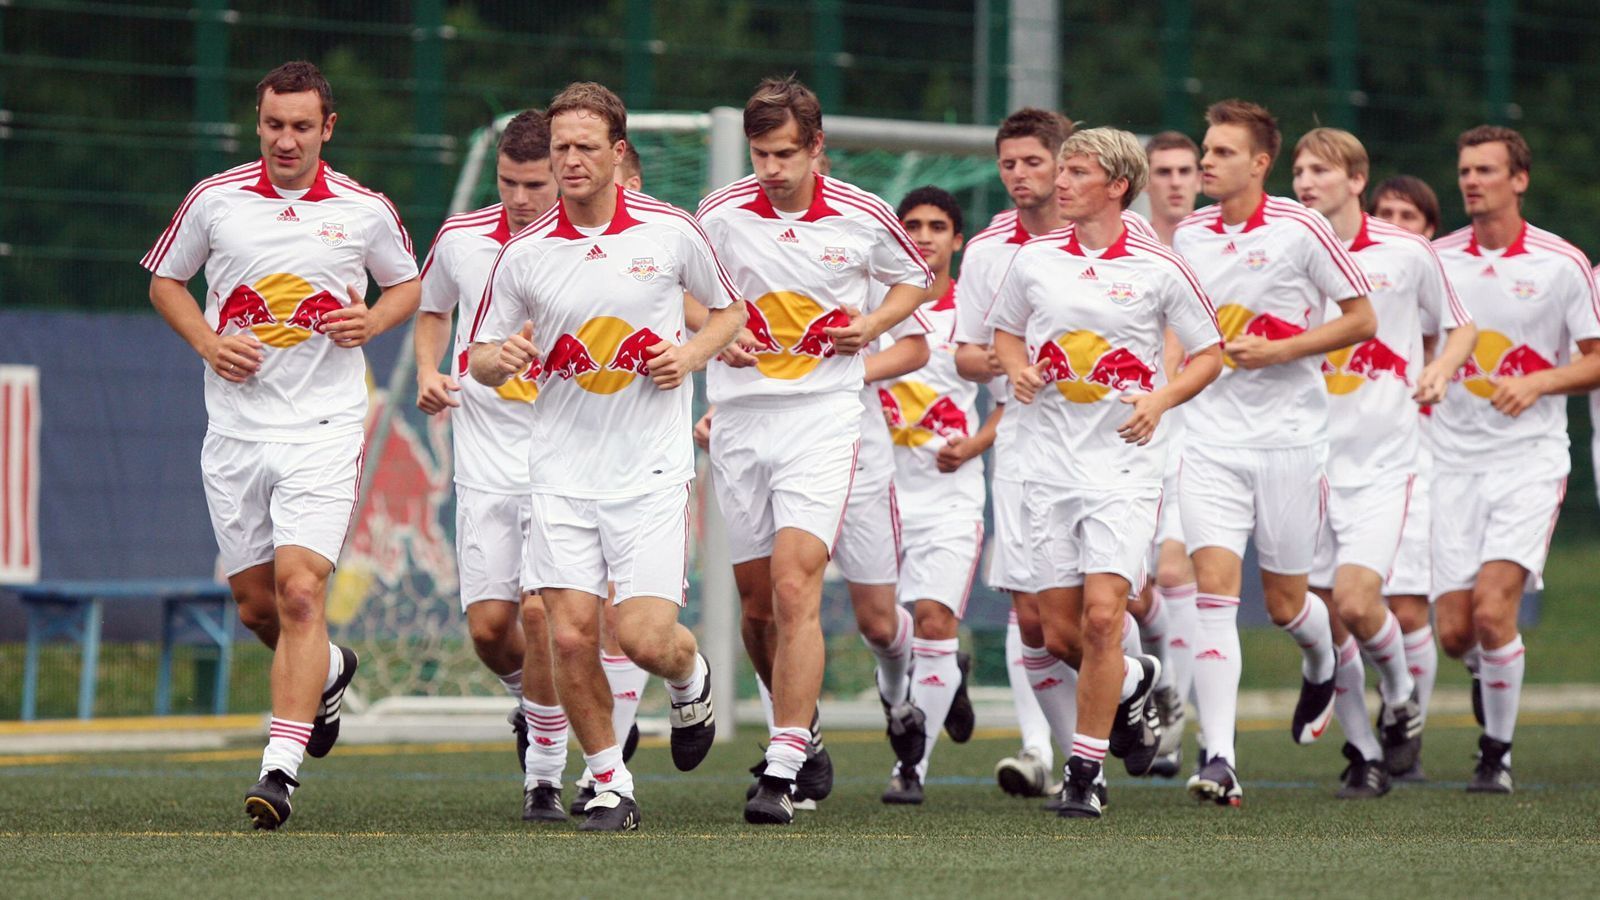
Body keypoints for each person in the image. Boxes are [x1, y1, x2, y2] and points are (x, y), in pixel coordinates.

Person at [143, 60, 420, 829]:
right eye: (274, 124)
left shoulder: (364, 210)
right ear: (257, 122)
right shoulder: (215, 199)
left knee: (303, 592)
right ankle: (329, 672)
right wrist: (207, 341)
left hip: (325, 428)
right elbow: (167, 281)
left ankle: (280, 769)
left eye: (302, 126)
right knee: (257, 606)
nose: (285, 139)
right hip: (235, 431)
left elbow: (407, 283)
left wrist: (373, 321)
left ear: (327, 128)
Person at [469, 81, 746, 831]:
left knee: (644, 638)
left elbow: (731, 313)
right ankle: (610, 782)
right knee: (563, 635)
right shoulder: (524, 253)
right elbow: (481, 357)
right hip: (559, 471)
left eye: (585, 146)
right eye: (560, 147)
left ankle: (690, 678)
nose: (570, 160)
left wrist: (687, 356)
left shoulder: (670, 231)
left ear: (618, 152)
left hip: (650, 470)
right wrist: (505, 359)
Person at [696, 75, 932, 825]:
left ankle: (781, 762)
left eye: (786, 154)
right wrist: (713, 334)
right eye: (761, 153)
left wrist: (872, 325)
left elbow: (914, 282)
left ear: (816, 147)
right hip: (739, 421)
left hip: (825, 418)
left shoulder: (863, 213)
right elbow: (684, 288)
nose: (771, 168)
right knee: (757, 609)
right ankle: (808, 730)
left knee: (798, 586)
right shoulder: (720, 213)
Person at [988, 127, 1224, 818]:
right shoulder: (1033, 261)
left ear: (1117, 186)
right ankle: (1138, 679)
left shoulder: (1160, 268)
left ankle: (1085, 773)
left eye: (1076, 172)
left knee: (1099, 621)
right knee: (1056, 635)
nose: (1060, 183)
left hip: (1123, 466)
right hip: (1045, 466)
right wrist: (1017, 367)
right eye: (1061, 171)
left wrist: (1160, 398)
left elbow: (1208, 354)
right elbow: (1003, 332)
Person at [1172, 99, 1375, 807]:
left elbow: (1361, 319)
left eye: (1223, 152)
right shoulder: (1188, 234)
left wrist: (1283, 349)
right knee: (1213, 595)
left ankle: (1321, 658)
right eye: (1206, 149)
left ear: (1260, 165)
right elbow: (1180, 329)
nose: (1207, 161)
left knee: (1290, 604)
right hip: (1208, 442)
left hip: (1291, 441)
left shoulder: (1301, 228)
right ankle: (1221, 757)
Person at [1290, 128, 1476, 798]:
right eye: (1300, 170)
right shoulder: (1287, 249)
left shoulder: (1406, 252)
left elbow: (1460, 326)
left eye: (1321, 170)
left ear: (1357, 179)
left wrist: (1440, 371)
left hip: (1381, 462)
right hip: (1301, 460)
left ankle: (1399, 696)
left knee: (1358, 600)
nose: (1306, 181)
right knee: (1321, 619)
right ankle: (1364, 752)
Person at [415, 110, 579, 821]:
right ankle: (535, 704)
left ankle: (544, 773)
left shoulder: (589, 245)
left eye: (534, 183)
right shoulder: (460, 239)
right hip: (484, 457)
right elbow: (431, 310)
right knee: (490, 629)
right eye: (508, 182)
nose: (518, 197)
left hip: (568, 455)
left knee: (544, 613)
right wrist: (428, 370)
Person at [1431, 125, 1600, 793]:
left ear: (1519, 179)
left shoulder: (1562, 264)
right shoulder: (1437, 259)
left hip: (1528, 462)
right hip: (1449, 463)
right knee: (1454, 631)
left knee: (1496, 611)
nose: (1472, 180)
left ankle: (1495, 754)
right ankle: (1488, 672)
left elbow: (1595, 361)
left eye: (1487, 170)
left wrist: (1537, 381)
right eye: (1465, 169)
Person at [950, 108, 1071, 801]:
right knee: (1036, 623)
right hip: (1026, 448)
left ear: (1063, 163)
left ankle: (1117, 722)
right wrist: (1010, 361)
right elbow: (967, 353)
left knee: (1107, 608)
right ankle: (1063, 753)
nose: (1020, 175)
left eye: (1033, 161)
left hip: (1114, 450)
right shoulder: (992, 250)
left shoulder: (1120, 240)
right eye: (1009, 163)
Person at [875, 186, 990, 805]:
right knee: (883, 629)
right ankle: (914, 699)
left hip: (950, 499)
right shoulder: (872, 308)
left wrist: (974, 446)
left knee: (934, 620)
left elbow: (1014, 402)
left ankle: (912, 769)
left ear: (957, 240)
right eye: (912, 225)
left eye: (937, 226)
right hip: (877, 498)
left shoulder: (978, 316)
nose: (923, 235)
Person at [1367, 176, 1447, 778]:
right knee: (1346, 604)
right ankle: (1374, 728)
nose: (1395, 223)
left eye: (1409, 216)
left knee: (1410, 607)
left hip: (1418, 460)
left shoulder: (1433, 286)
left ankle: (1407, 726)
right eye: (1385, 213)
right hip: (1347, 462)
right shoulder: (1352, 281)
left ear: (1429, 232)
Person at [1132, 130, 1205, 777]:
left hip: (1203, 431)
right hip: (1133, 427)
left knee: (1178, 569)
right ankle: (1159, 687)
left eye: (1188, 170)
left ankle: (1178, 722)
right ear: (1145, 177)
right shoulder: (1128, 239)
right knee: (1133, 586)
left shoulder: (1216, 243)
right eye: (1164, 170)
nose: (1177, 181)